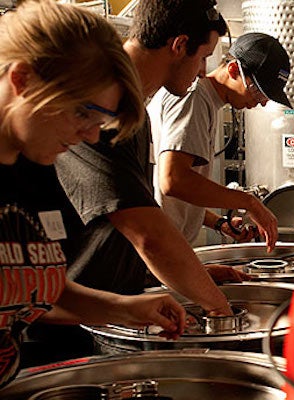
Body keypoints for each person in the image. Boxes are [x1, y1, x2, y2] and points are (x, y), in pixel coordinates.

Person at [0, 0, 185, 388]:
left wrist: (128, 309)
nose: (89, 136)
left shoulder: (38, 167)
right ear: (22, 80)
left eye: (99, 122)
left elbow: (32, 288)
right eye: (83, 114)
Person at [49, 0, 236, 314]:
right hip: (70, 321)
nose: (203, 72)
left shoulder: (134, 110)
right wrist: (222, 311)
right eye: (203, 58)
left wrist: (191, 277)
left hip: (109, 305)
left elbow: (116, 224)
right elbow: (146, 233)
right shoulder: (103, 106)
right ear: (179, 45)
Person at [149, 32, 287, 248]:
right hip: (156, 248)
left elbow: (177, 193)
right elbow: (173, 180)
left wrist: (220, 223)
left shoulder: (205, 102)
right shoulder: (194, 98)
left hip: (167, 246)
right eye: (258, 92)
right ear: (233, 70)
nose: (260, 103)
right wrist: (250, 203)